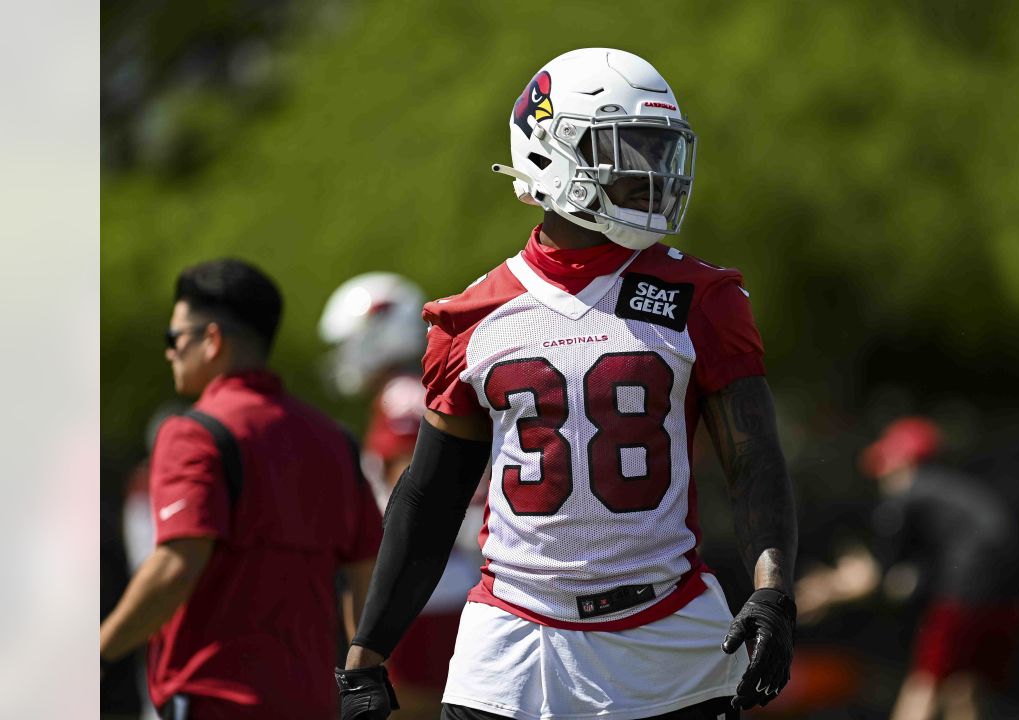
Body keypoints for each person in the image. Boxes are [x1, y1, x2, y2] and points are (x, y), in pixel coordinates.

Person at [335, 48, 799, 720]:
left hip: (666, 631)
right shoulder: (472, 317)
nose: (653, 172)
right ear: (553, 155)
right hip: (514, 637)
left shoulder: (704, 296)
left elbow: (754, 461)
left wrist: (773, 591)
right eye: (630, 149)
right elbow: (431, 497)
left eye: (659, 150)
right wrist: (367, 653)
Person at [99, 258, 384, 719]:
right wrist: (360, 680)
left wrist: (100, 652)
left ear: (211, 341)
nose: (169, 352)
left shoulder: (192, 432)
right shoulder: (334, 439)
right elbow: (367, 574)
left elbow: (177, 564)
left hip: (216, 699)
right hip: (311, 701)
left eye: (174, 339)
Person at [320, 272, 487, 718]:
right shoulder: (408, 394)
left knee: (407, 705)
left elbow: (412, 493)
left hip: (428, 583)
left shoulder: (401, 398)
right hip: (449, 575)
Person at [796, 417, 1019, 720]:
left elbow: (878, 576)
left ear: (900, 461)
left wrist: (826, 591)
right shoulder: (952, 494)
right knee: (965, 686)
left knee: (924, 685)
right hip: (1012, 595)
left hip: (965, 591)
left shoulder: (907, 498)